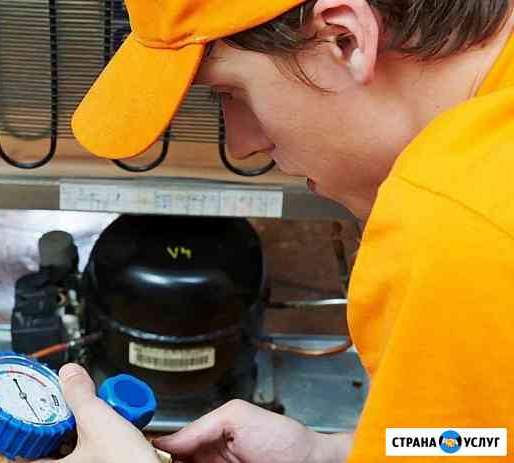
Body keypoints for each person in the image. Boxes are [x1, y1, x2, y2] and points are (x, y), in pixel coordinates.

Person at [39, 0, 514, 461]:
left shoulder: (456, 230)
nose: (241, 144)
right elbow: (479, 441)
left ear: (344, 39)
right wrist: (332, 454)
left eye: (232, 93)